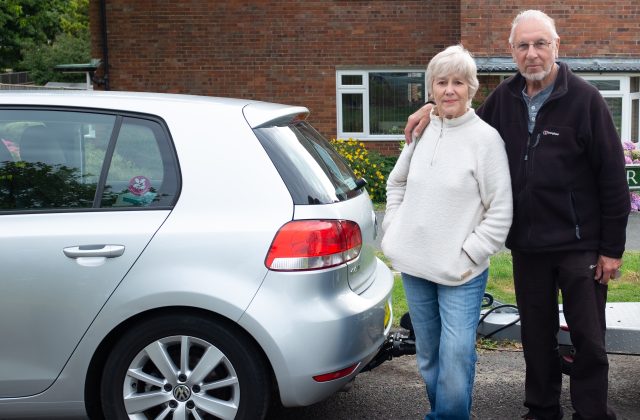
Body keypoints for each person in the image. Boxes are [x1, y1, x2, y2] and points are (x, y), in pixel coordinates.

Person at [404, 10, 631, 420]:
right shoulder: (503, 100)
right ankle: (542, 409)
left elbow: (613, 177)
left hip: (580, 245)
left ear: (556, 47)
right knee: (537, 335)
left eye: (540, 43)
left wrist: (612, 250)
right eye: (523, 46)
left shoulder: (585, 100)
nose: (532, 54)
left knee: (589, 339)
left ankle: (592, 411)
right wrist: (427, 107)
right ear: (512, 51)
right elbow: (461, 114)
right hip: (528, 245)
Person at [381, 44, 513, 420]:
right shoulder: (422, 131)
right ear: (432, 88)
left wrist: (470, 252)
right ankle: (444, 413)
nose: (449, 90)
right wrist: (394, 226)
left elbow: (500, 210)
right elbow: (397, 183)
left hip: (461, 273)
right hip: (416, 266)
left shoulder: (485, 140)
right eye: (441, 82)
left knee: (456, 355)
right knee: (429, 352)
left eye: (458, 82)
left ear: (471, 88)